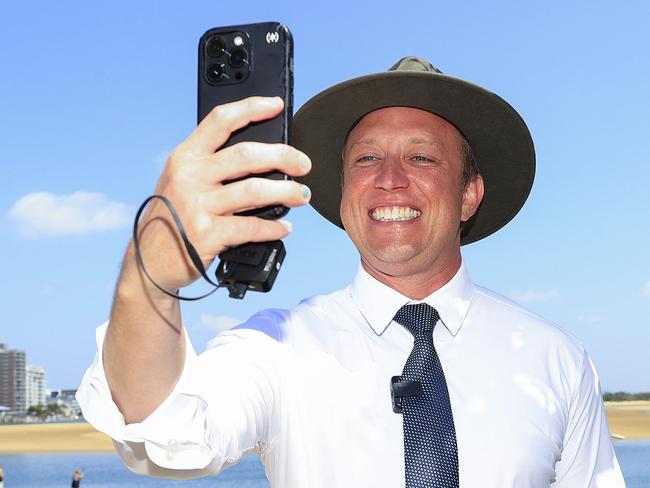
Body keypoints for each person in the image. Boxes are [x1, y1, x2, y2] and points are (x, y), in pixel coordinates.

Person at [77, 57, 625, 487]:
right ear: (342, 198)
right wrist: (149, 272)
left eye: (421, 158)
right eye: (365, 159)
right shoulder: (278, 347)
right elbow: (158, 427)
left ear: (469, 196)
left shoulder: (558, 360)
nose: (389, 179)